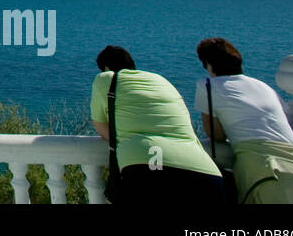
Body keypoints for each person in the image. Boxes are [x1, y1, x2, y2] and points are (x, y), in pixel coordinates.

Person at [194, 37, 293, 204]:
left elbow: (216, 135)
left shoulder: (207, 85)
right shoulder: (265, 87)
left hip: (264, 170)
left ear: (208, 64)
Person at [90, 45, 225, 204]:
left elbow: (103, 129)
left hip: (149, 167)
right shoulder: (162, 81)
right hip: (204, 173)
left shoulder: (105, 78)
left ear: (106, 69)